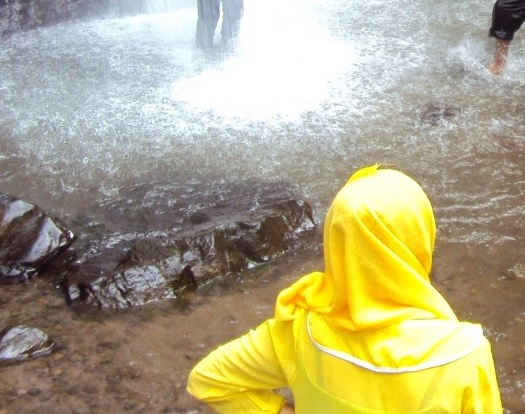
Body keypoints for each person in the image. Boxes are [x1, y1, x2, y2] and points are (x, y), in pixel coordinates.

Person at [187, 166, 503, 413]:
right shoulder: (465, 354)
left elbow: (208, 381)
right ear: (418, 239)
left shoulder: (299, 333)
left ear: (336, 242)